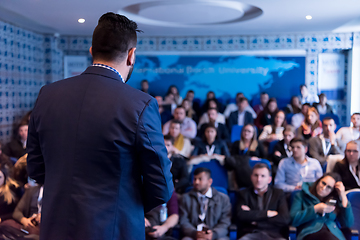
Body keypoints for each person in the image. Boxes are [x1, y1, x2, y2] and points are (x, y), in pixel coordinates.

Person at [26, 12, 174, 240]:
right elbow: (161, 184)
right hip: (114, 229)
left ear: (91, 51)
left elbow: (35, 168)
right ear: (131, 55)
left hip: (56, 227)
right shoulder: (141, 104)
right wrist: (126, 207)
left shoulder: (47, 95)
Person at [290, 173, 354, 240]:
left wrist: (343, 196)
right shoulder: (301, 195)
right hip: (310, 232)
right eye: (323, 183)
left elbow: (348, 224)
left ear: (332, 191)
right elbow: (294, 220)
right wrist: (315, 209)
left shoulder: (334, 200)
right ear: (319, 181)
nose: (323, 188)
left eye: (329, 187)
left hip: (333, 233)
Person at [236, 163, 290, 240]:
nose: (259, 179)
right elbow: (241, 215)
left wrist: (256, 221)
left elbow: (284, 219)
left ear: (269, 179)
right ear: (251, 177)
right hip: (251, 233)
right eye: (256, 175)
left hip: (274, 235)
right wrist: (267, 213)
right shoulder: (244, 194)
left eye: (263, 176)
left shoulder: (278, 194)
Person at [179, 168, 231, 240]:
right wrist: (194, 233)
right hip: (193, 235)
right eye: (195, 179)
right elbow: (184, 220)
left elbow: (225, 222)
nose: (196, 182)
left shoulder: (223, 199)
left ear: (210, 181)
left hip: (215, 235)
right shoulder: (185, 198)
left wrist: (214, 234)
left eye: (200, 179)